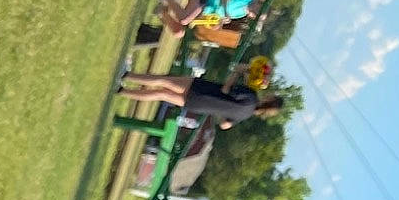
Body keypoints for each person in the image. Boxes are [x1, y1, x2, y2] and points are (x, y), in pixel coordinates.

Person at [116, 70, 282, 129]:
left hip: (203, 89)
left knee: (164, 82)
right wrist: (220, 109)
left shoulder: (251, 96)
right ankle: (122, 91)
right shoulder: (246, 115)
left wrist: (236, 73)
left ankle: (127, 75)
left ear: (269, 98)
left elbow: (226, 89)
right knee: (162, 94)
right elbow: (224, 125)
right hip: (199, 106)